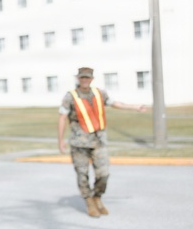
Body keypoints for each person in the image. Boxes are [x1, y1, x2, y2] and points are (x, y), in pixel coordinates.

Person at [57, 66, 147, 218]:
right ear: (78, 79)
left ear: (91, 79)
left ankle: (97, 197)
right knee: (82, 174)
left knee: (103, 174)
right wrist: (60, 140)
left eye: (87, 77)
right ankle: (89, 201)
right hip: (79, 143)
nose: (85, 80)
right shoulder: (70, 96)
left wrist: (134, 107)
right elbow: (62, 117)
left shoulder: (100, 93)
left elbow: (115, 104)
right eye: (82, 77)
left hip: (99, 142)